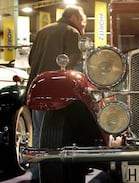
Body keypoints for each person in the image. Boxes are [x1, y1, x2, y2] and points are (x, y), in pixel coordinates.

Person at [26, 5, 86, 182]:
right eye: (83, 20)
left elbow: (30, 60)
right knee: (58, 133)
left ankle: (37, 173)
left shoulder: (43, 31)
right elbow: (75, 63)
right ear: (74, 17)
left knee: (38, 133)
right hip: (61, 93)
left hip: (37, 89)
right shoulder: (72, 32)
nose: (83, 25)